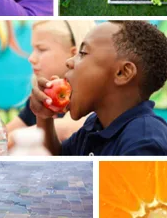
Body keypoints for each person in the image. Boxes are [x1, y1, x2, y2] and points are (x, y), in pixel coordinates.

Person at [29, 20, 167, 155]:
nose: (69, 62)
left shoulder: (143, 142)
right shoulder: (95, 125)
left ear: (122, 73)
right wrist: (44, 117)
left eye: (83, 53)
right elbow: (58, 160)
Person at [0, 19, 94, 147]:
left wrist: (12, 138)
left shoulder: (91, 96)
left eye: (41, 49)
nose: (31, 58)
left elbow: (64, 130)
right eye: (33, 49)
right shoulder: (40, 100)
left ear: (73, 53)